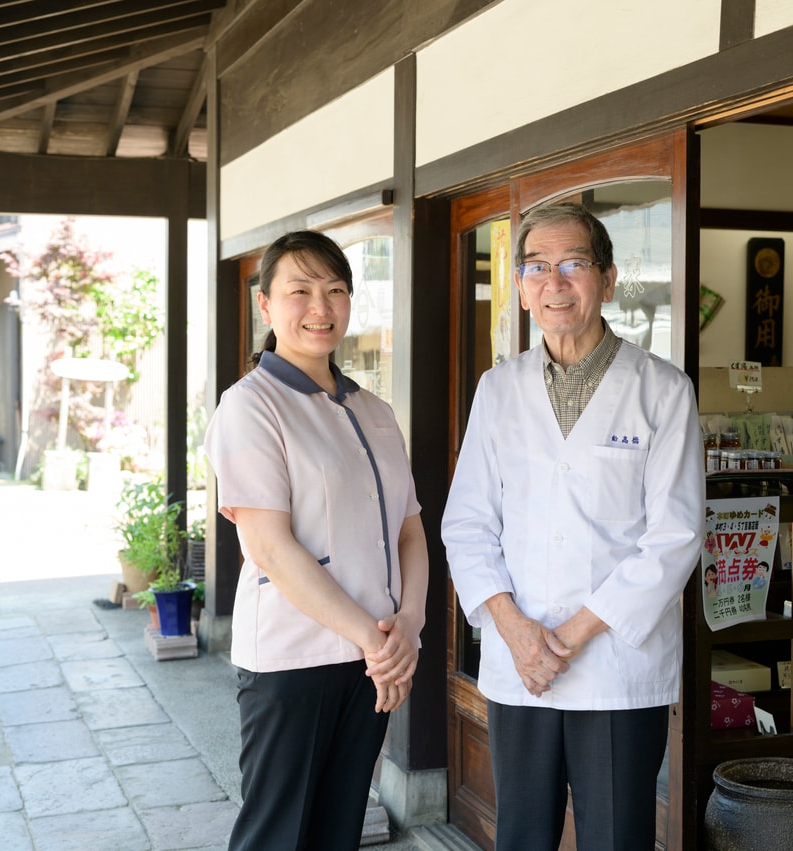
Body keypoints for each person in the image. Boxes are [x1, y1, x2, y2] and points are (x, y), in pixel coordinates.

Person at [441, 202, 704, 851]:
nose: (554, 282)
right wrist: (517, 630)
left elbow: (675, 535)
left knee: (618, 837)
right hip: (518, 661)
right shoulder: (497, 389)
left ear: (607, 280)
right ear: (523, 284)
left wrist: (569, 635)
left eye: (573, 264)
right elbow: (467, 522)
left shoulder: (662, 389)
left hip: (615, 663)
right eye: (536, 266)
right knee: (522, 834)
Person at [204, 230, 429, 851]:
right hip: (293, 659)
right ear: (265, 306)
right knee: (278, 833)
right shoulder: (251, 407)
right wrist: (375, 640)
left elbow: (409, 529)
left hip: (371, 660)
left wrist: (408, 623)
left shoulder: (375, 410)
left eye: (335, 290)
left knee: (338, 829)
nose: (320, 308)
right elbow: (271, 548)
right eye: (299, 290)